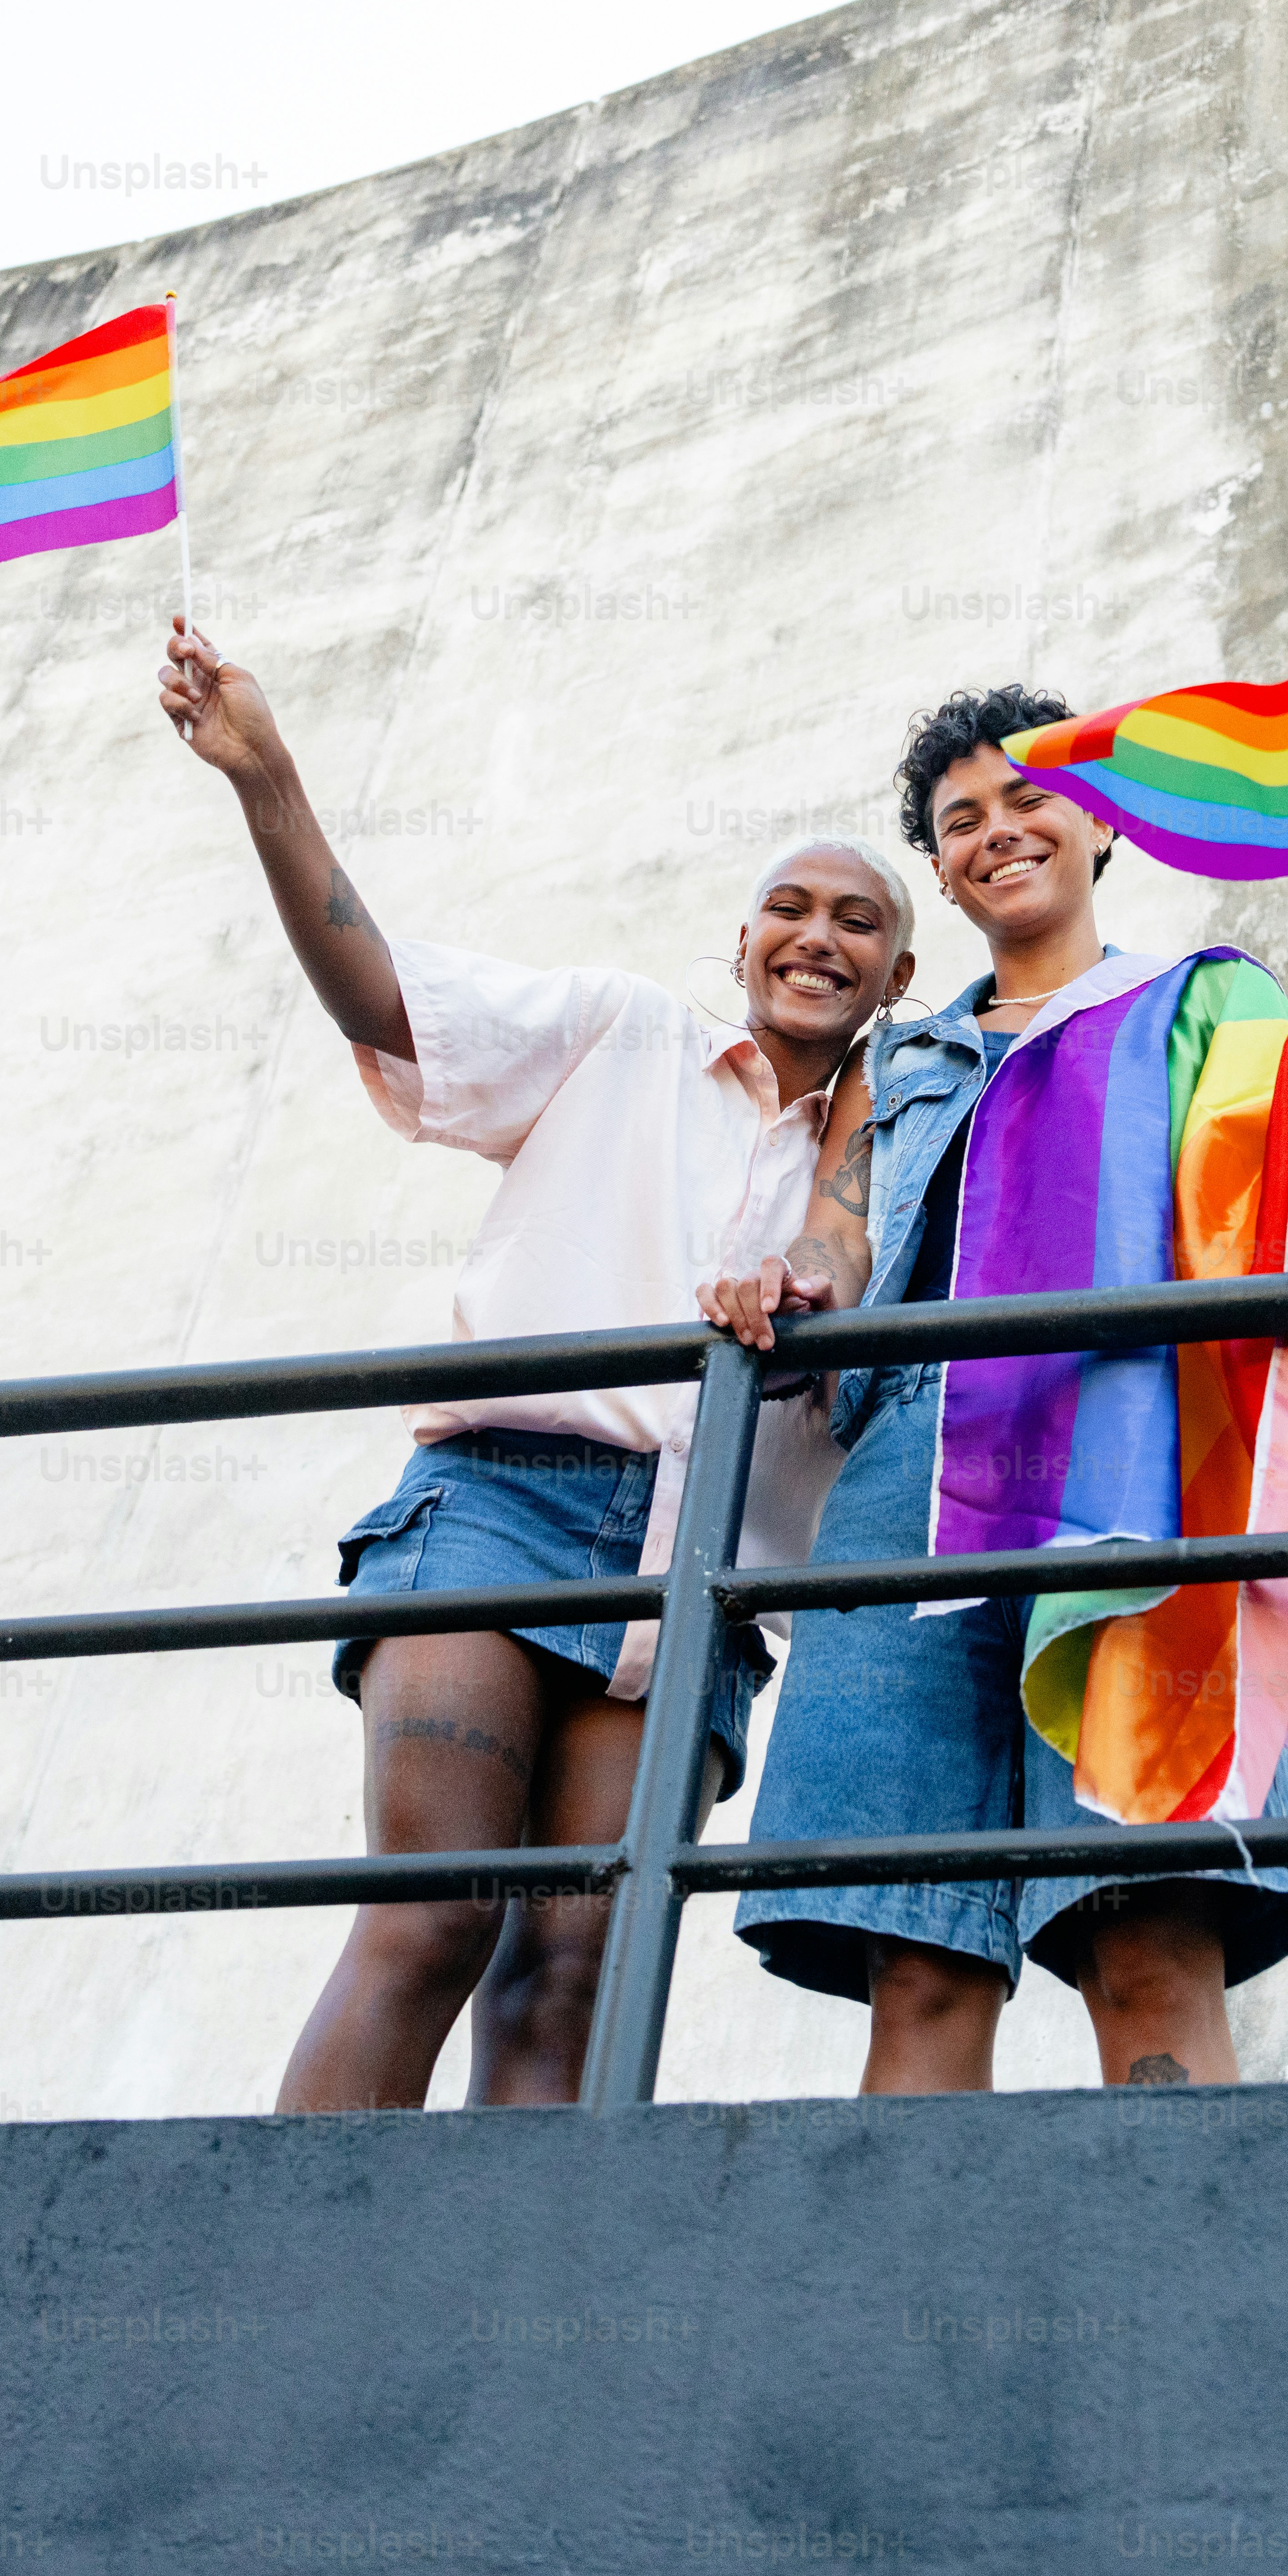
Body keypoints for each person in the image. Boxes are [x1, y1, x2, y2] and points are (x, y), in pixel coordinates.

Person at [159, 616, 915, 2112]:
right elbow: (384, 998)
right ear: (744, 941)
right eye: (787, 907)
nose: (817, 935)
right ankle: (305, 2303)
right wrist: (268, 779)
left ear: (899, 976)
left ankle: (500, 2331)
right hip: (502, 1505)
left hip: (705, 1568)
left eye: (858, 921)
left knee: (576, 1977)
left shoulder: (909, 1137)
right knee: (435, 1916)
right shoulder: (618, 1033)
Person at [703, 685, 1288, 2094]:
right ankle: (907, 2311)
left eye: (1028, 799)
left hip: (1128, 1448)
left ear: (1101, 822)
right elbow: (846, 1237)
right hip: (908, 1472)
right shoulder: (899, 1057)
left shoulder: (1203, 1000)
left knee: (1144, 1926)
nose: (997, 832)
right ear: (946, 872)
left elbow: (1280, 1207)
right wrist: (782, 1274)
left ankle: (1170, 2299)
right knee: (916, 1958)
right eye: (961, 821)